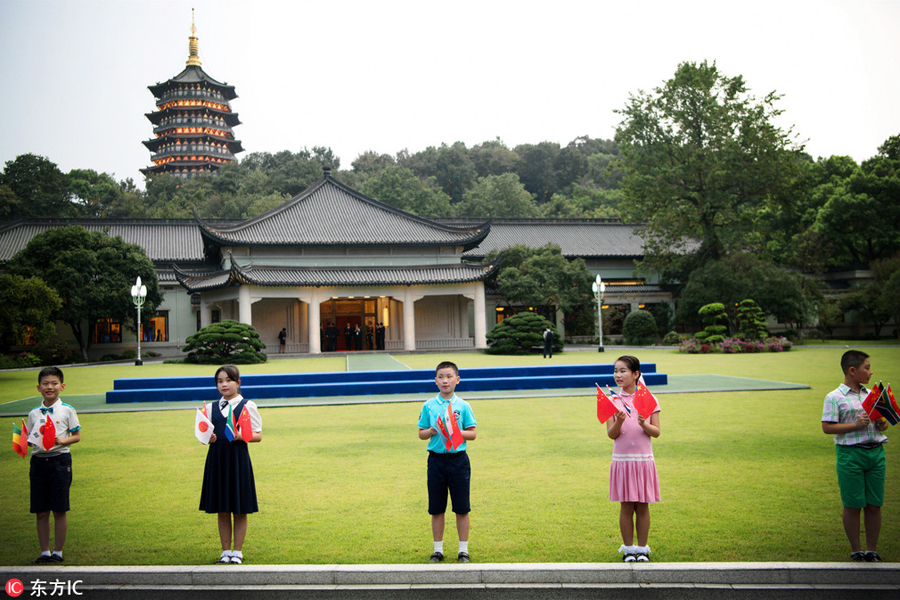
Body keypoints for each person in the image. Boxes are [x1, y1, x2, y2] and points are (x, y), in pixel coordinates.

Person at [821, 350, 888, 562]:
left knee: (874, 504)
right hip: (850, 455)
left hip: (876, 454)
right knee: (852, 505)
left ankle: (871, 550)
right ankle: (856, 550)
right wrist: (856, 425)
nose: (870, 372)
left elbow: (883, 424)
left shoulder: (872, 395)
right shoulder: (834, 397)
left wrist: (881, 423)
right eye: (866, 368)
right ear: (852, 370)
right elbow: (827, 427)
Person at [199, 365, 263, 565]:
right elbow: (204, 434)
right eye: (220, 381)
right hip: (217, 460)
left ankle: (237, 552)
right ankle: (225, 552)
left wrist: (240, 436)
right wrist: (207, 438)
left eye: (228, 380)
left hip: (238, 460)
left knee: (240, 508)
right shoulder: (209, 408)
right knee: (222, 508)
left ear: (238, 383)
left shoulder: (247, 405)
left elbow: (258, 435)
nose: (224, 384)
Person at [418, 361, 477, 563]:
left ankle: (463, 550)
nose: (445, 380)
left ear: (457, 380)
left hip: (458, 461)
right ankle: (438, 550)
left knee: (461, 507)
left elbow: (473, 433)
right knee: (437, 507)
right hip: (436, 461)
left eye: (449, 376)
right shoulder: (429, 405)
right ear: (435, 381)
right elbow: (421, 433)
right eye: (441, 377)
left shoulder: (463, 406)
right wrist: (433, 431)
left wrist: (453, 430)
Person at [605, 355, 660, 562]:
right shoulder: (612, 400)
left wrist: (643, 424)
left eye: (623, 371)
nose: (618, 375)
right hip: (622, 461)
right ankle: (629, 550)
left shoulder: (648, 399)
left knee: (643, 505)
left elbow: (656, 432)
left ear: (636, 374)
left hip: (644, 461)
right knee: (626, 505)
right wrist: (619, 421)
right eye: (616, 371)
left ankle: (643, 549)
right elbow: (611, 434)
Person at [28, 367, 82, 564]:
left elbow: (76, 436)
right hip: (38, 463)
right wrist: (26, 442)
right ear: (38, 387)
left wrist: (61, 441)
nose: (49, 387)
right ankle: (45, 551)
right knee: (41, 510)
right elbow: (32, 437)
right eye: (45, 384)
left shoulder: (67, 410)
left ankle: (58, 552)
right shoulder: (33, 413)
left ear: (62, 386)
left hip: (60, 462)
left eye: (54, 383)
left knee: (59, 509)